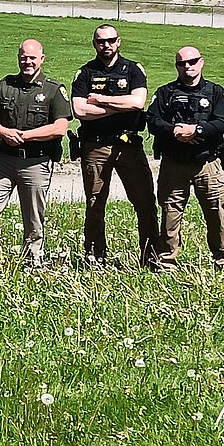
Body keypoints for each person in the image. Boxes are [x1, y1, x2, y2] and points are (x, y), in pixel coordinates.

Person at [70, 24, 158, 266]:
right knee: (95, 202)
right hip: (95, 146)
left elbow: (138, 103)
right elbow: (79, 110)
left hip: (127, 144)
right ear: (94, 43)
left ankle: (151, 256)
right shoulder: (85, 73)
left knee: (145, 201)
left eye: (110, 40)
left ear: (118, 41)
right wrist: (119, 105)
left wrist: (100, 100)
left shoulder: (133, 70)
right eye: (100, 41)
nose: (105, 45)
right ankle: (94, 256)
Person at [0, 39, 72, 266]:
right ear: (18, 57)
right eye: (23, 57)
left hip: (36, 160)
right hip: (3, 159)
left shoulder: (53, 89)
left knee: (33, 214)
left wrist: (24, 136)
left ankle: (33, 257)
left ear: (42, 59)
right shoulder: (5, 85)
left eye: (32, 57)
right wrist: (4, 132)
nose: (27, 62)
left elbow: (60, 127)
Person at [146, 46, 224, 272]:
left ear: (201, 62)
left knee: (216, 212)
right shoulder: (165, 93)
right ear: (177, 66)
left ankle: (222, 259)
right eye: (182, 63)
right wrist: (176, 131)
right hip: (174, 163)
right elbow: (153, 121)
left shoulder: (215, 92)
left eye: (192, 61)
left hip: (207, 163)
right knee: (170, 213)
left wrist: (197, 131)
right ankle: (166, 261)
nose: (187, 66)